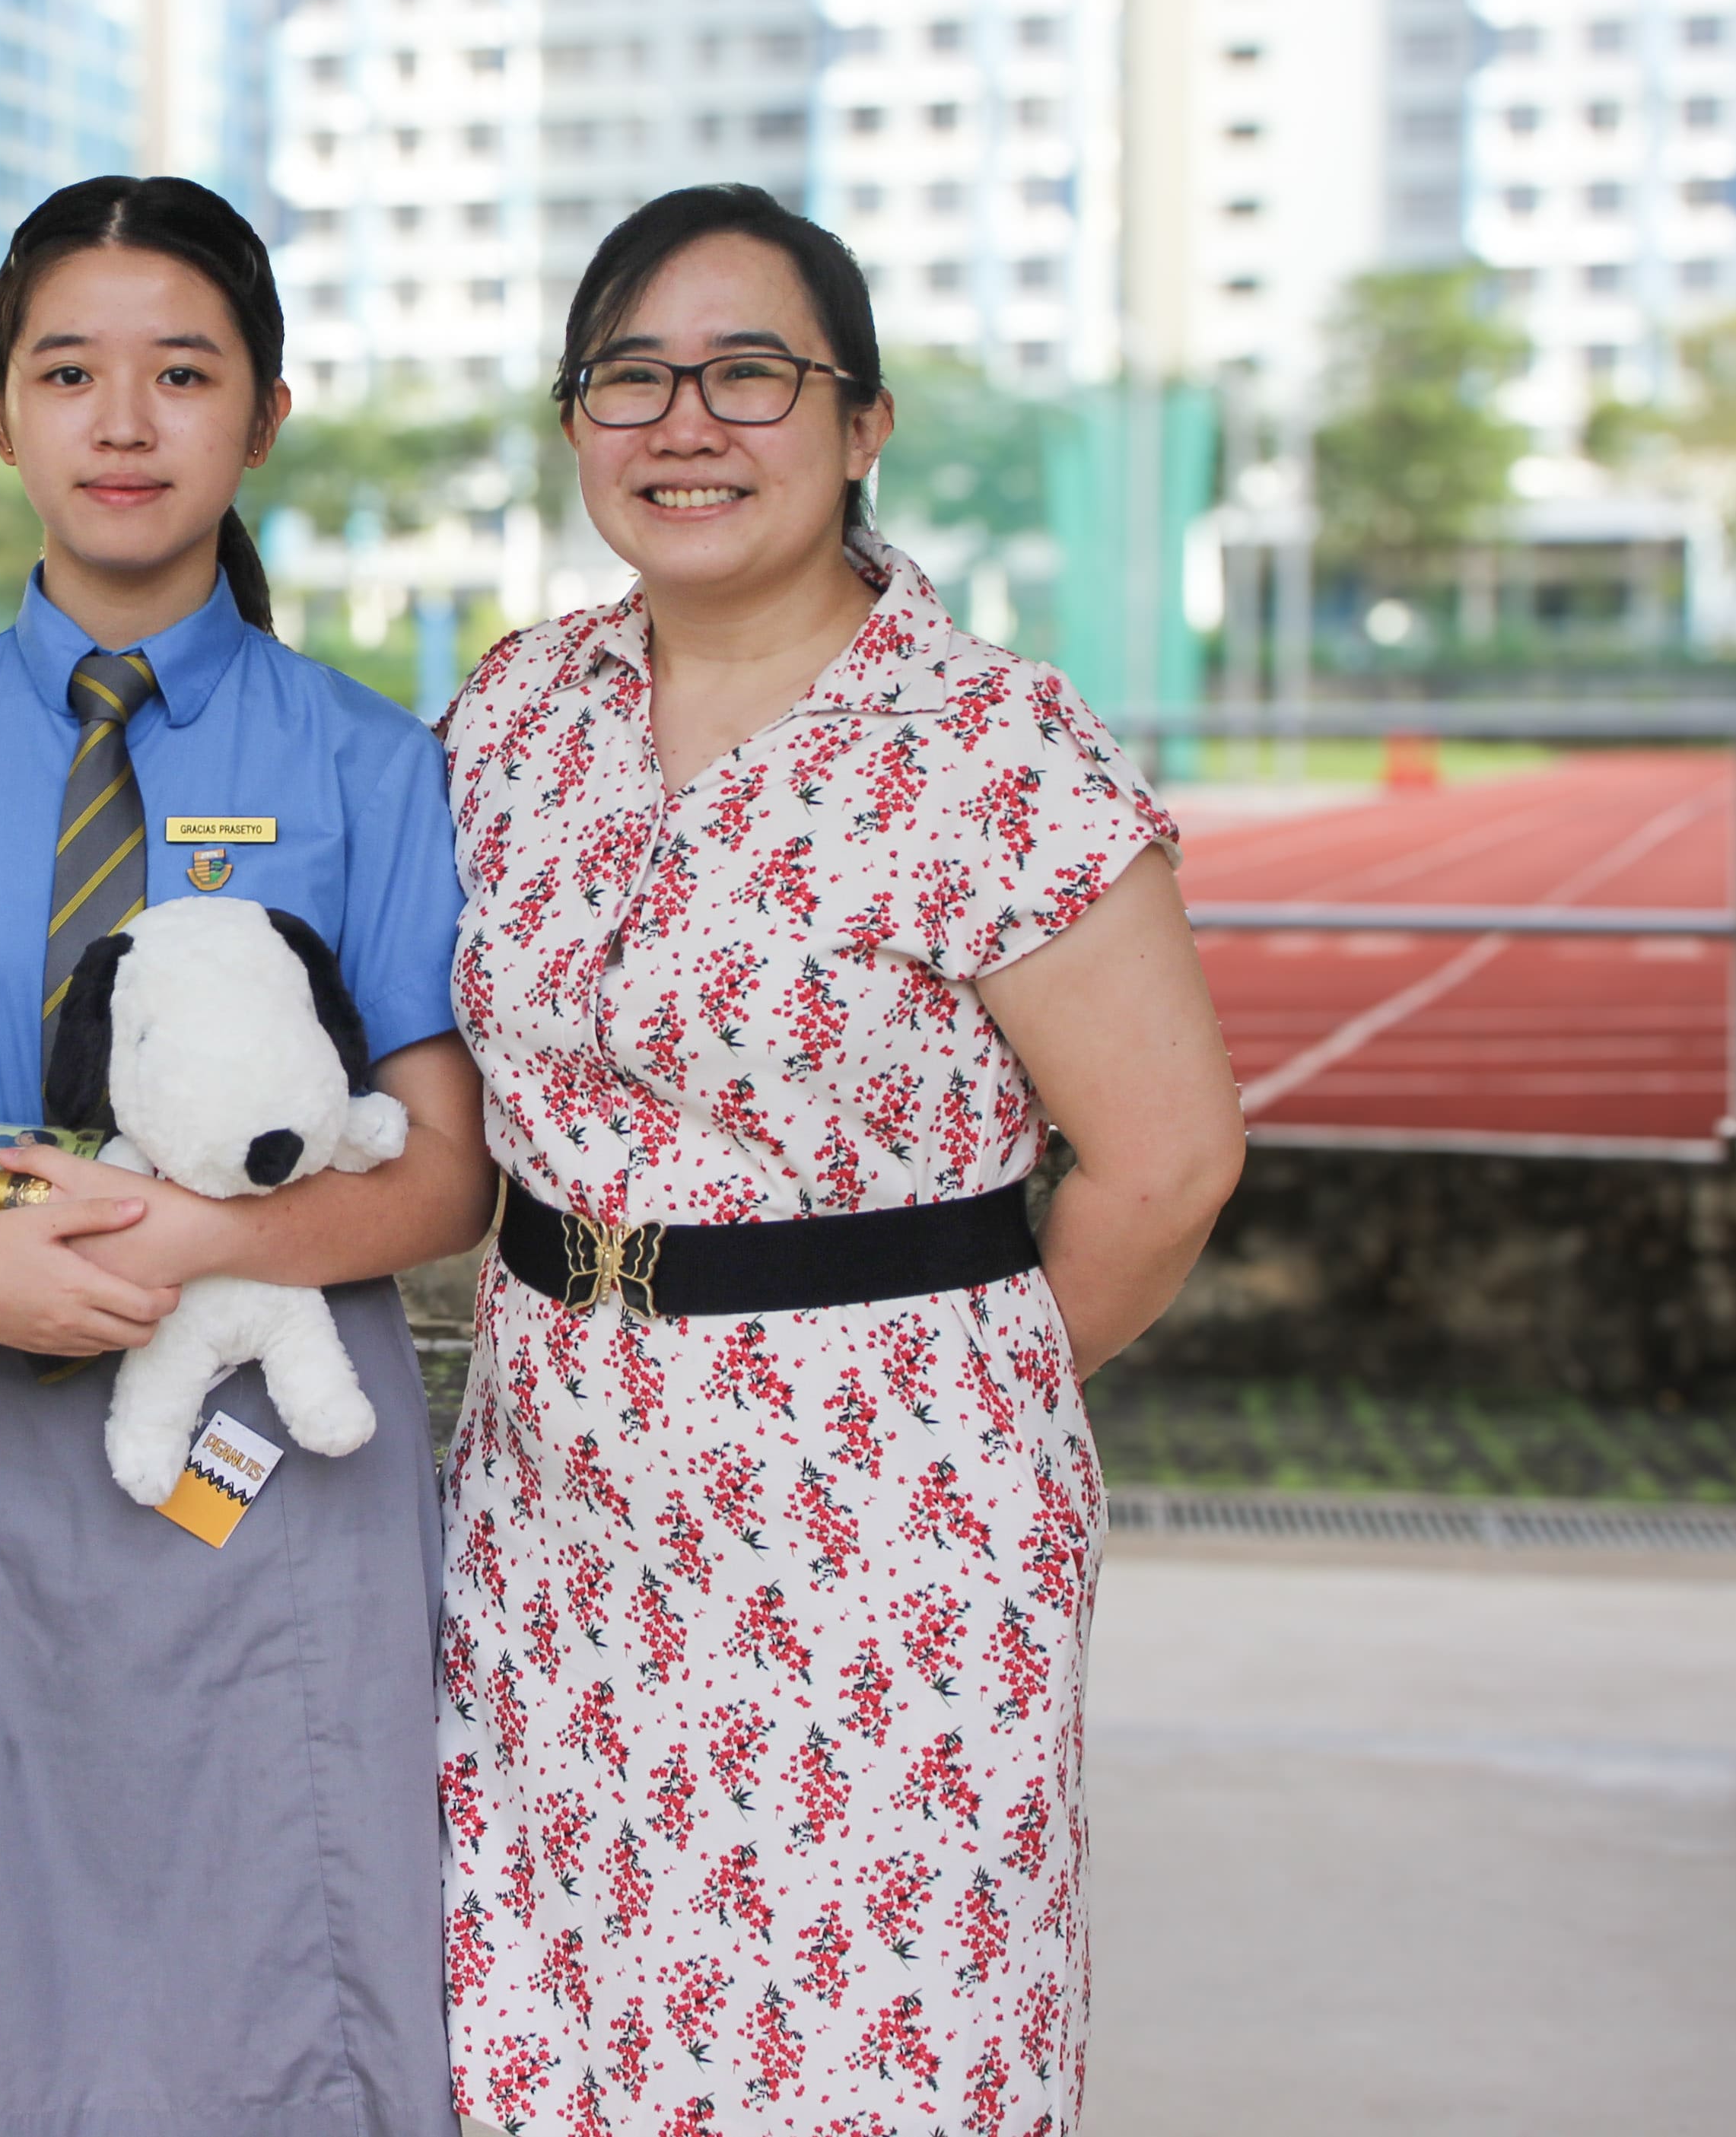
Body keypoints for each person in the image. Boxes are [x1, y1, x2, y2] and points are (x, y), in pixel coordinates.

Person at [432, 186, 1244, 2135]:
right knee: (545, 2046)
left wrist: (940, 1397)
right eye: (630, 377)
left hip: (887, 1538)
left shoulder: (990, 749)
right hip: (544, 1514)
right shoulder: (515, 712)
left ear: (862, 422)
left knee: (876, 2056)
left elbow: (1167, 1163)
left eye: (751, 374)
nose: (684, 424)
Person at [0, 174, 498, 2135]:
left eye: (183, 373)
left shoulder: (368, 759)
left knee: (287, 1994)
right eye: (69, 372)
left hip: (286, 1474)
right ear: (0, 413)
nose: (123, 423)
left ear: (267, 413)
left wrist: (197, 1234)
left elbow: (449, 1175)